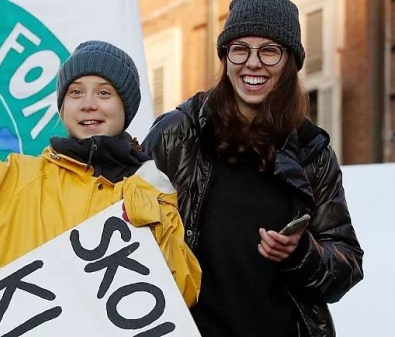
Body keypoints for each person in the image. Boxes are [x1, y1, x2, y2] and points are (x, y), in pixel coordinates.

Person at [0, 10, 202, 337]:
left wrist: (154, 224)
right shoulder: (12, 182)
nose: (88, 104)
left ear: (125, 108)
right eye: (75, 92)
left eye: (104, 92)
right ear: (61, 108)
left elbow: (181, 293)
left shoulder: (151, 190)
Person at [141, 1, 364, 336]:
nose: (253, 63)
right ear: (225, 56)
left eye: (270, 50)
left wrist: (301, 252)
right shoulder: (177, 133)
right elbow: (128, 229)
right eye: (240, 49)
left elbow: (346, 265)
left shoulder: (313, 151)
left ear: (290, 61)